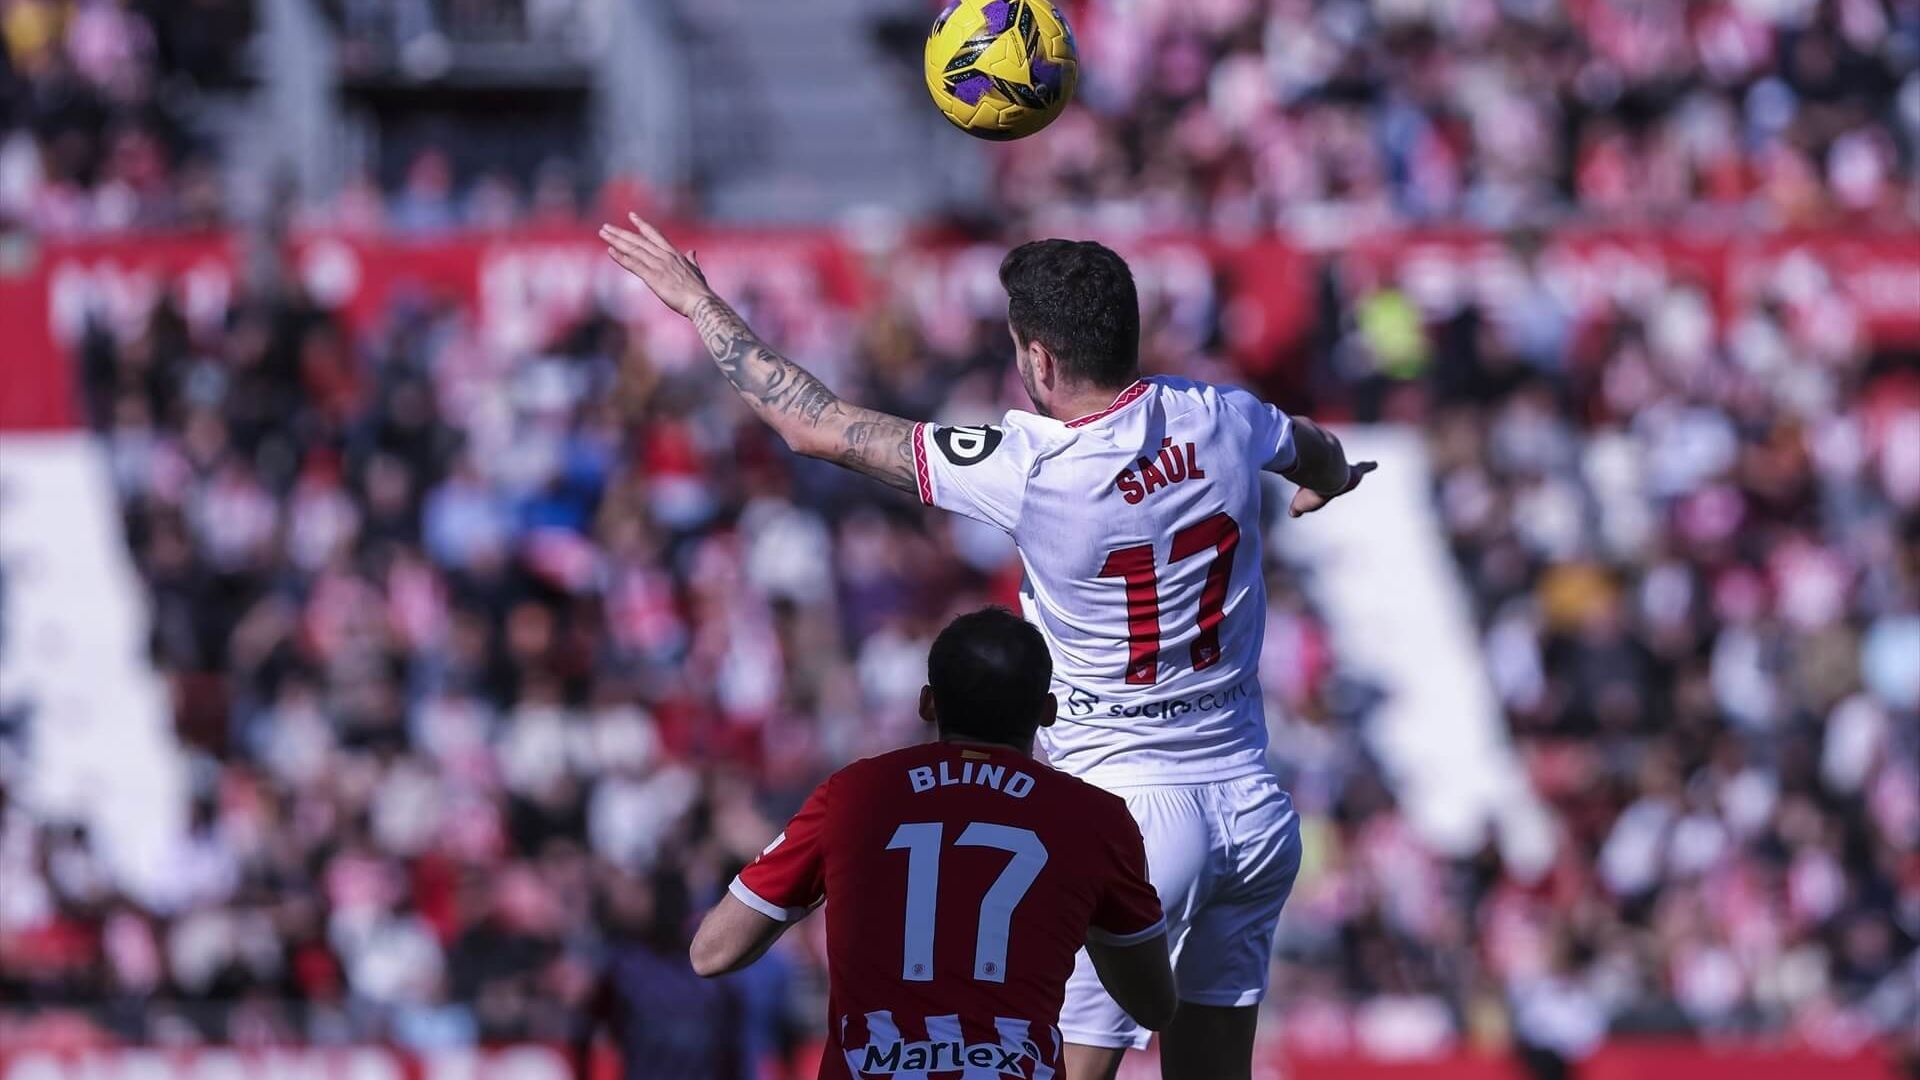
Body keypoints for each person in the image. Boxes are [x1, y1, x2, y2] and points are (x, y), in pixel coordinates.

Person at [603, 218, 1372, 1080]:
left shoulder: (1036, 469)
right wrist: (1327, 482)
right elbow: (1314, 446)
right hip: (1254, 806)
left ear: (1039, 359)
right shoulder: (1224, 416)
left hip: (1130, 812)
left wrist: (698, 303)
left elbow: (814, 426)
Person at [689, 608, 1176, 1079]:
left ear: (927, 702)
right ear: (1048, 711)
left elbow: (711, 953)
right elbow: (1154, 1005)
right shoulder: (1095, 819)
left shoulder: (852, 796)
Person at [572, 868, 747, 1079]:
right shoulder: (623, 966)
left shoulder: (712, 970)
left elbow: (734, 1051)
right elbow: (586, 1029)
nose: (633, 903)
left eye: (642, 896)